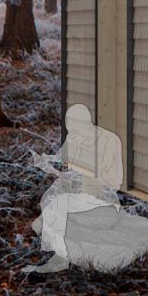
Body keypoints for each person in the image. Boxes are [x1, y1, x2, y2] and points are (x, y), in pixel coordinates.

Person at [23, 103, 123, 274]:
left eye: (75, 130)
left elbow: (113, 180)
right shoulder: (74, 137)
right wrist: (46, 160)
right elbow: (63, 159)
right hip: (76, 186)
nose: (73, 135)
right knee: (52, 200)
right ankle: (61, 255)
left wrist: (83, 179)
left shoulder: (108, 140)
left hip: (101, 192)